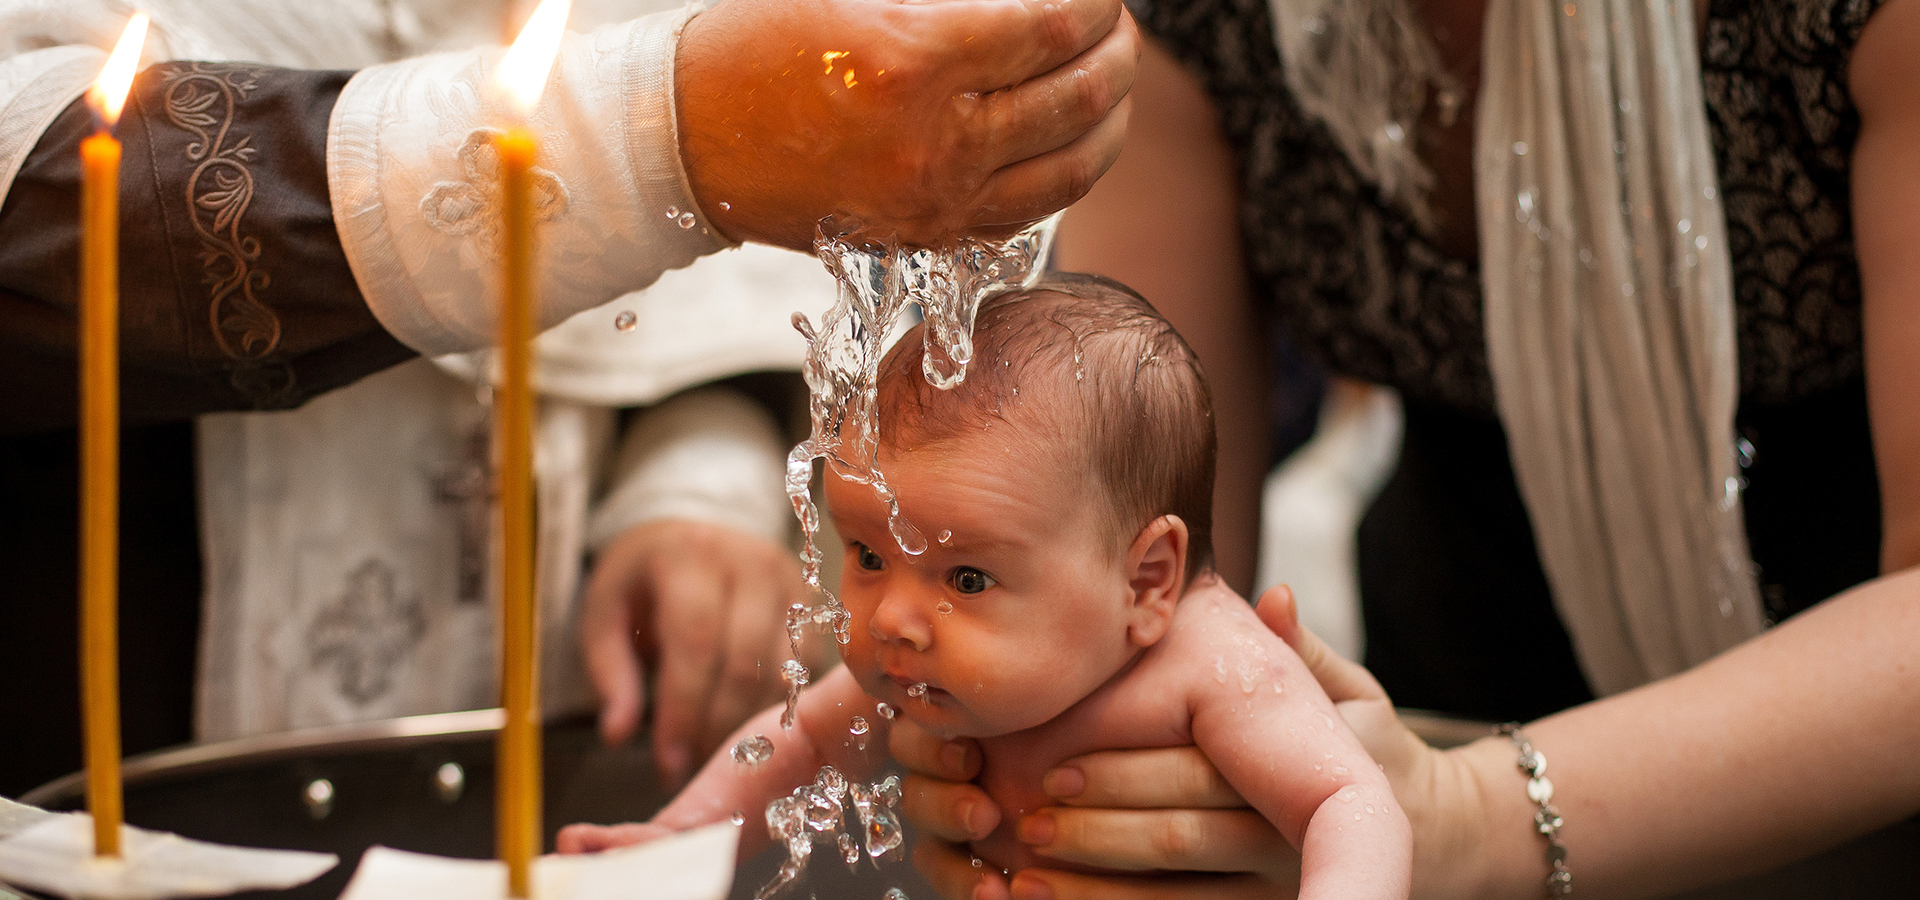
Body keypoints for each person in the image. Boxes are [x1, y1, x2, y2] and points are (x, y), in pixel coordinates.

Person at [893, 0, 1920, 898]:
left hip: (1858, 756)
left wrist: (1473, 817)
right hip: (1447, 678)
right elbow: (1118, 540)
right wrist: (1051, 772)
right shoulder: (1197, 21)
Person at [0, 0, 1140, 795]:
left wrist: (697, 469)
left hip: (571, 733)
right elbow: (46, 205)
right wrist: (661, 135)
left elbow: (748, 264)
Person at [556, 277, 1411, 900]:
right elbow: (793, 748)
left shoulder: (1212, 666)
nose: (893, 618)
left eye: (965, 577)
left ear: (1147, 581)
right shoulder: (913, 669)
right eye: (866, 555)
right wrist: (673, 840)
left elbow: (1353, 800)